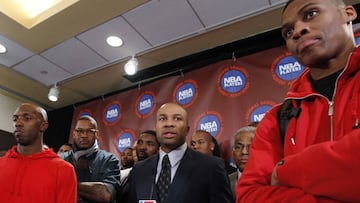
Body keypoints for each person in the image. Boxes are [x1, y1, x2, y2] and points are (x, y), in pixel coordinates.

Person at [237, 0, 360, 202]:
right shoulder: (276, 118)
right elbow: (250, 195)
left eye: (311, 14)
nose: (297, 31)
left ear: (349, 13)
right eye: (288, 32)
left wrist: (286, 170)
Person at [128, 102, 234, 203]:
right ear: (156, 128)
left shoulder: (211, 167)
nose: (169, 124)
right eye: (162, 119)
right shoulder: (139, 170)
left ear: (187, 130)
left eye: (177, 118)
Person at [0, 103, 77, 202]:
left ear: (43, 126)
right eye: (15, 119)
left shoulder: (63, 170)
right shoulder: (1, 163)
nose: (18, 123)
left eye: (27, 118)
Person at [60, 115, 121, 203]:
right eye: (79, 131)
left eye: (89, 131)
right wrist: (89, 192)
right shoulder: (61, 159)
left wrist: (68, 184)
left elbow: (106, 195)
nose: (84, 135)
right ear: (74, 133)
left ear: (96, 134)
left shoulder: (109, 159)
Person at [117, 130, 160, 203]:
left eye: (149, 144)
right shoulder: (129, 174)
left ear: (159, 149)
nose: (142, 147)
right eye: (140, 142)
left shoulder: (164, 175)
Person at [229, 126, 256, 198]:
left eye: (250, 147)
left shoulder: (272, 182)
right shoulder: (224, 182)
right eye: (238, 147)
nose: (244, 152)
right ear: (232, 152)